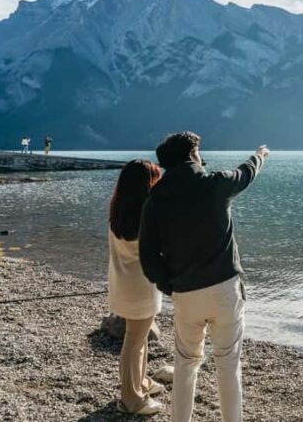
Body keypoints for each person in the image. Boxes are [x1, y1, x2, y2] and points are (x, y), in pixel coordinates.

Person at [139, 131, 269, 422]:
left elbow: (148, 258)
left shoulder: (155, 201)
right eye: (199, 152)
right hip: (225, 290)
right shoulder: (215, 184)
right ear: (192, 155)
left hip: (186, 294)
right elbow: (246, 174)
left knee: (185, 364)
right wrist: (260, 156)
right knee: (228, 364)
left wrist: (169, 286)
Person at [108, 160, 166, 416]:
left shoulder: (117, 212)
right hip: (142, 287)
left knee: (137, 339)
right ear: (147, 185)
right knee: (134, 341)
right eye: (155, 179)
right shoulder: (149, 215)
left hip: (122, 283)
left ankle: (141, 383)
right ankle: (130, 398)